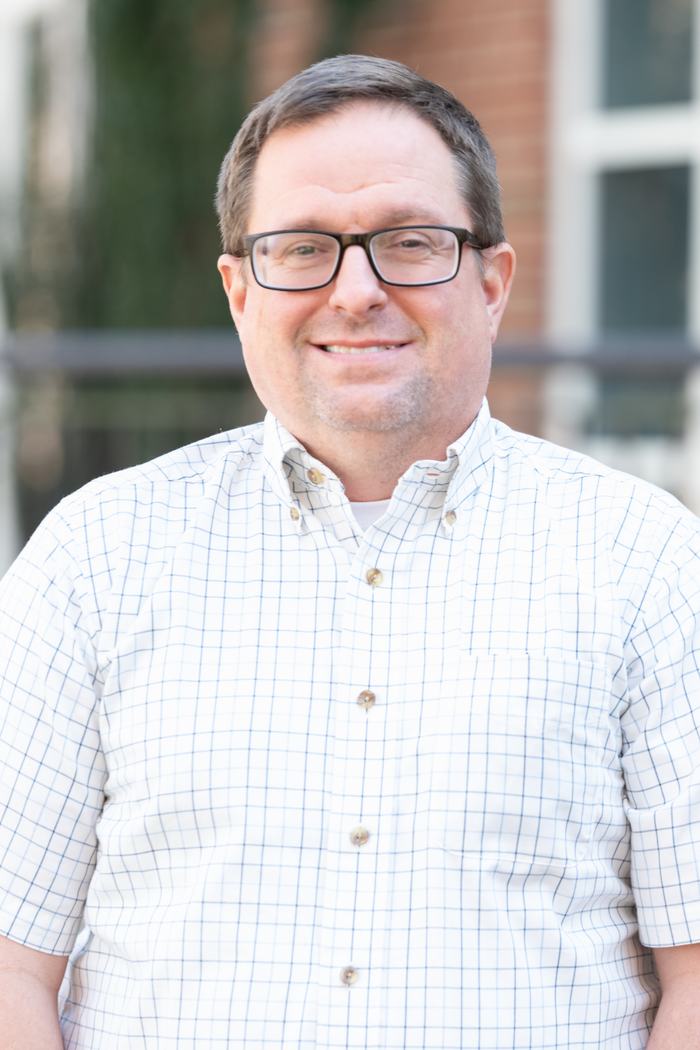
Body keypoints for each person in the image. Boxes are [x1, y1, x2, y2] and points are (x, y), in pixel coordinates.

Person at [0, 53, 699, 1050]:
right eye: (302, 249)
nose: (357, 291)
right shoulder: (94, 560)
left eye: (411, 243)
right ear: (241, 289)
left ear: (492, 281)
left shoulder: (649, 563)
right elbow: (10, 967)